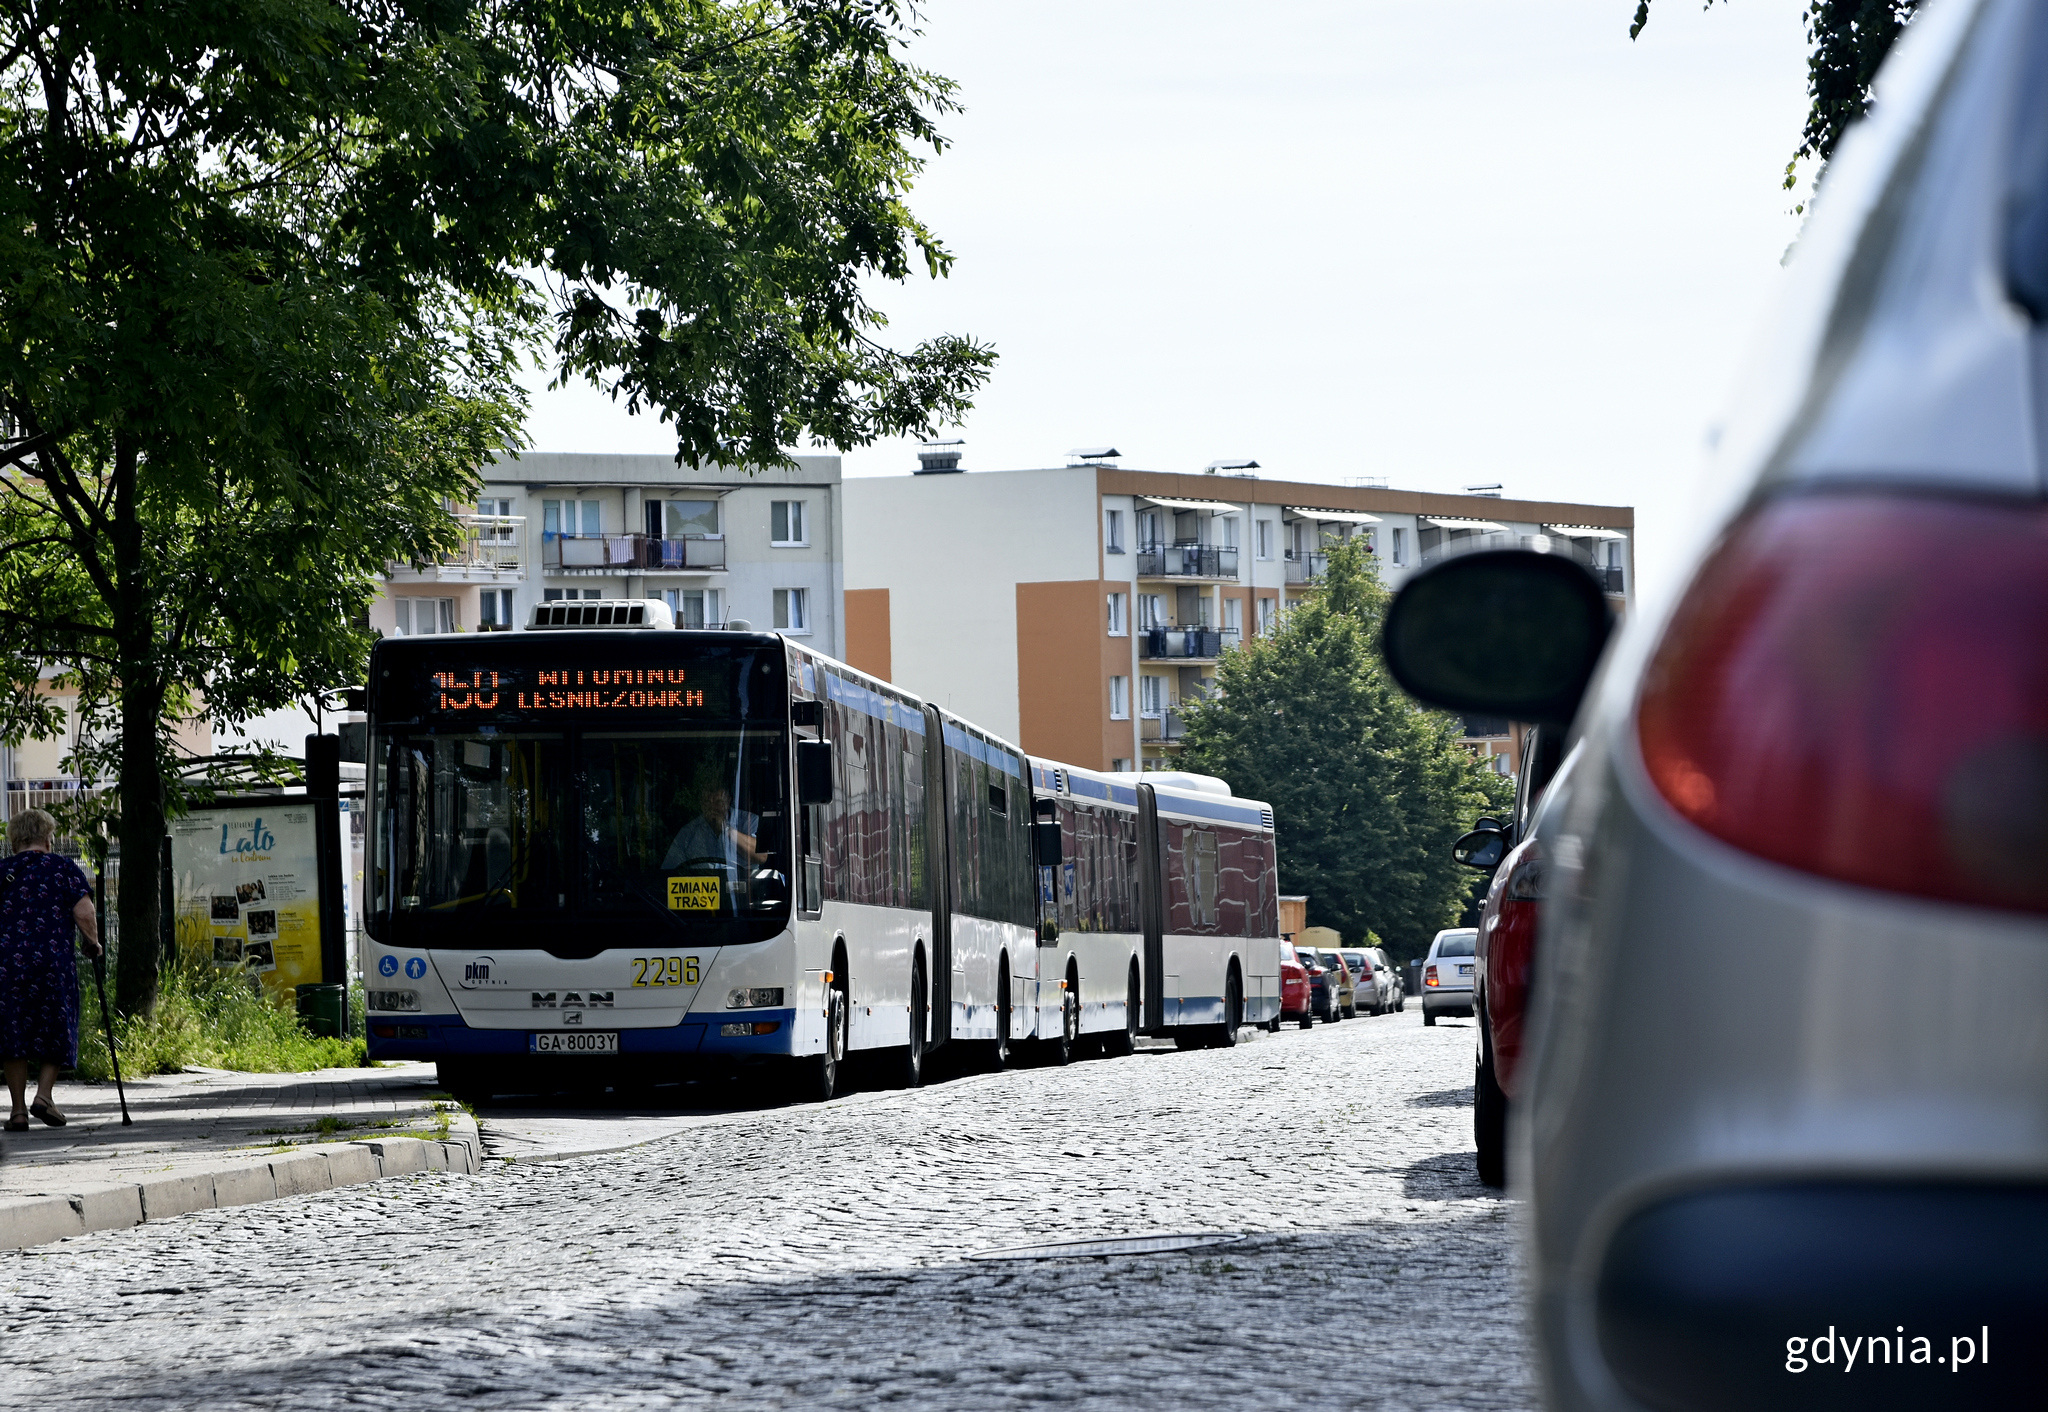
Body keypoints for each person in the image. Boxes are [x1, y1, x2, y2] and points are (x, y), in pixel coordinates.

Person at [0, 807, 100, 1135]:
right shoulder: (62, 869)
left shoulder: (3, 871)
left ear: (15, 839)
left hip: (7, 966)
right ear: (47, 837)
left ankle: (17, 1112)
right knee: (56, 1026)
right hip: (51, 964)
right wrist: (92, 943)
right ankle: (43, 1097)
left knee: (13, 1033)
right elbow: (84, 912)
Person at [661, 782, 760, 871]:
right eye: (708, 803)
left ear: (728, 801)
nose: (713, 808)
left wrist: (726, 829)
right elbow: (670, 869)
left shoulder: (750, 821)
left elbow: (761, 856)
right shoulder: (689, 832)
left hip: (741, 888)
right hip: (699, 888)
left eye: (718, 803)